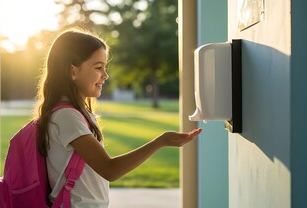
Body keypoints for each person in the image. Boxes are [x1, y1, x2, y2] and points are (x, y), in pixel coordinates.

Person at [34, 28, 202, 207]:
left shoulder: (74, 113)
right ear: (73, 71)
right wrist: (160, 142)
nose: (105, 75)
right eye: (98, 67)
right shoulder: (66, 116)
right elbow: (109, 169)